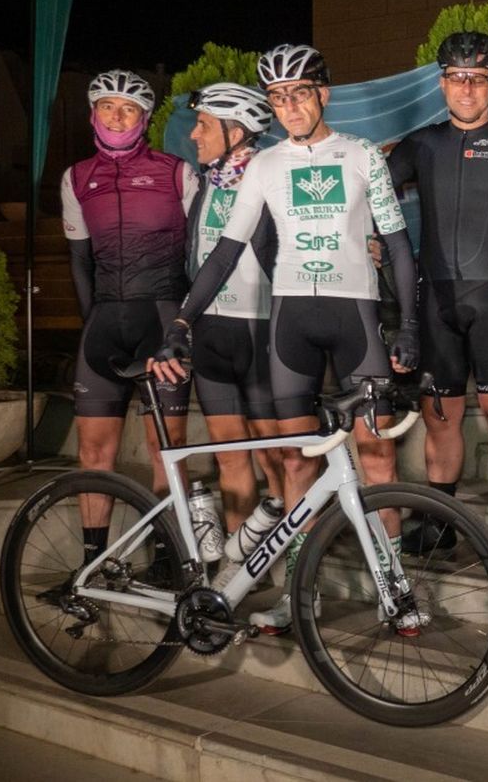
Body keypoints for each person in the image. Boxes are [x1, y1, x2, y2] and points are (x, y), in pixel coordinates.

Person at [152, 43, 421, 633]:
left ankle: (394, 588)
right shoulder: (267, 165)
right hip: (290, 321)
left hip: (357, 318)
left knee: (377, 456)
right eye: (278, 96)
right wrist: (181, 324)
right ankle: (299, 595)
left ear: (323, 94)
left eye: (300, 92)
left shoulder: (360, 156)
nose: (290, 105)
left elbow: (398, 244)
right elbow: (226, 250)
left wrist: (410, 326)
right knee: (297, 461)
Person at [384, 32, 488, 558]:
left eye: (477, 78)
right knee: (439, 421)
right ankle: (440, 523)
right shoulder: (419, 144)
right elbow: (368, 195)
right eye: (455, 77)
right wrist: (372, 244)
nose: (466, 88)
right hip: (436, 303)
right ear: (442, 83)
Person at [62, 69, 197, 571]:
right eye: (107, 107)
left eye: (129, 109)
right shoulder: (76, 177)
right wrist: (91, 324)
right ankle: (93, 561)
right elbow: (79, 261)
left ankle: (168, 556)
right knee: (93, 452)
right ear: (92, 113)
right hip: (104, 325)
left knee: (168, 447)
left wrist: (186, 325)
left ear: (145, 119)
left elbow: (200, 255)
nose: (117, 117)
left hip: (162, 320)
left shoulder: (177, 171)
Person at [183, 83, 286, 538]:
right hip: (211, 333)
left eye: (203, 125)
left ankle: (294, 564)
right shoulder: (205, 181)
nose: (193, 135)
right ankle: (237, 567)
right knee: (228, 454)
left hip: (261, 330)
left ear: (236, 130)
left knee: (276, 455)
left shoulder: (271, 177)